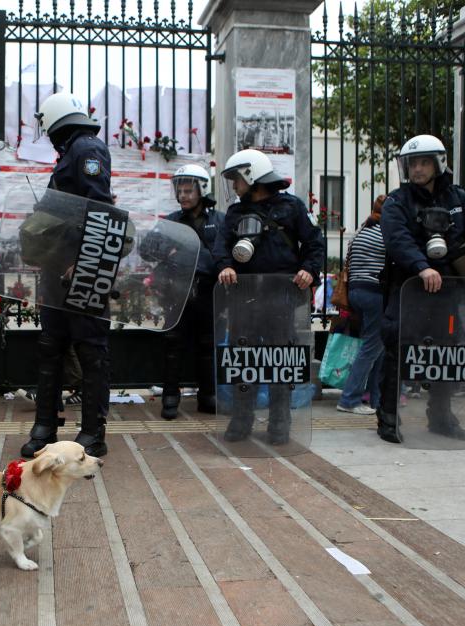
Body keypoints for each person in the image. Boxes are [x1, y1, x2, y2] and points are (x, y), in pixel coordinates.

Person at [377, 134, 465, 444]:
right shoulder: (397, 201)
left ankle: (441, 417)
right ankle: (389, 418)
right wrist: (422, 266)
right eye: (412, 164)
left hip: (448, 292)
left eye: (423, 162)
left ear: (438, 163)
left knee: (447, 352)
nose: (417, 169)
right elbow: (397, 240)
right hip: (409, 290)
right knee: (398, 352)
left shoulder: (458, 199)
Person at [19, 92, 113, 458]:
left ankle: (93, 431)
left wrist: (88, 262)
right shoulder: (72, 152)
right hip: (59, 267)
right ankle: (46, 424)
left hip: (83, 266)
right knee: (51, 347)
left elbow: (98, 206)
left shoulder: (87, 147)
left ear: (57, 121)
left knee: (91, 351)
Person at [214, 149, 325, 443]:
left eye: (236, 179)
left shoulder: (291, 207)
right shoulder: (236, 213)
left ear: (252, 176)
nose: (235, 186)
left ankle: (279, 423)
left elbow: (315, 243)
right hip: (245, 299)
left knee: (280, 361)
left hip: (281, 298)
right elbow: (220, 247)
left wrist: (308, 271)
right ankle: (241, 421)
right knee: (244, 361)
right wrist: (225, 266)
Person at [152, 164, 224, 419]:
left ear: (202, 190)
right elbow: (148, 248)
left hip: (207, 292)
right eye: (179, 190)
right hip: (176, 292)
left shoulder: (219, 220)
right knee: (173, 345)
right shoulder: (171, 221)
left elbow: (221, 256)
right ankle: (170, 396)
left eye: (188, 190)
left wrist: (184, 254)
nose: (183, 195)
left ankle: (207, 396)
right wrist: (165, 252)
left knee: (207, 344)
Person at [336, 195, 387, 415]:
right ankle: (349, 399)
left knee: (378, 347)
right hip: (375, 293)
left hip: (356, 292)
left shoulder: (362, 231)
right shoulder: (386, 233)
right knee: (371, 347)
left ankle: (376, 398)